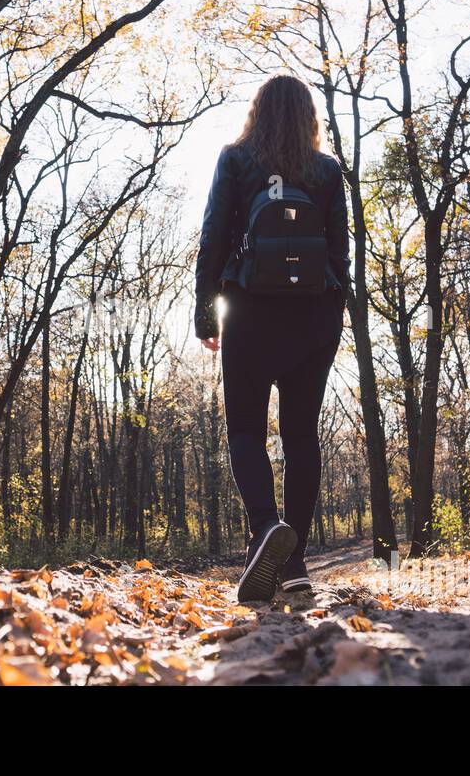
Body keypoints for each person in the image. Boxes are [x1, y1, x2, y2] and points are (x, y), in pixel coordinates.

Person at [194, 74, 350, 602]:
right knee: (301, 435)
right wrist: (335, 312)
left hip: (250, 310)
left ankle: (266, 531)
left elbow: (214, 234)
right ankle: (296, 562)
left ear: (257, 111)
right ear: (309, 116)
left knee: (245, 429)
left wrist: (205, 311)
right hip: (314, 315)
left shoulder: (236, 159)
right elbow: (339, 253)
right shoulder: (327, 171)